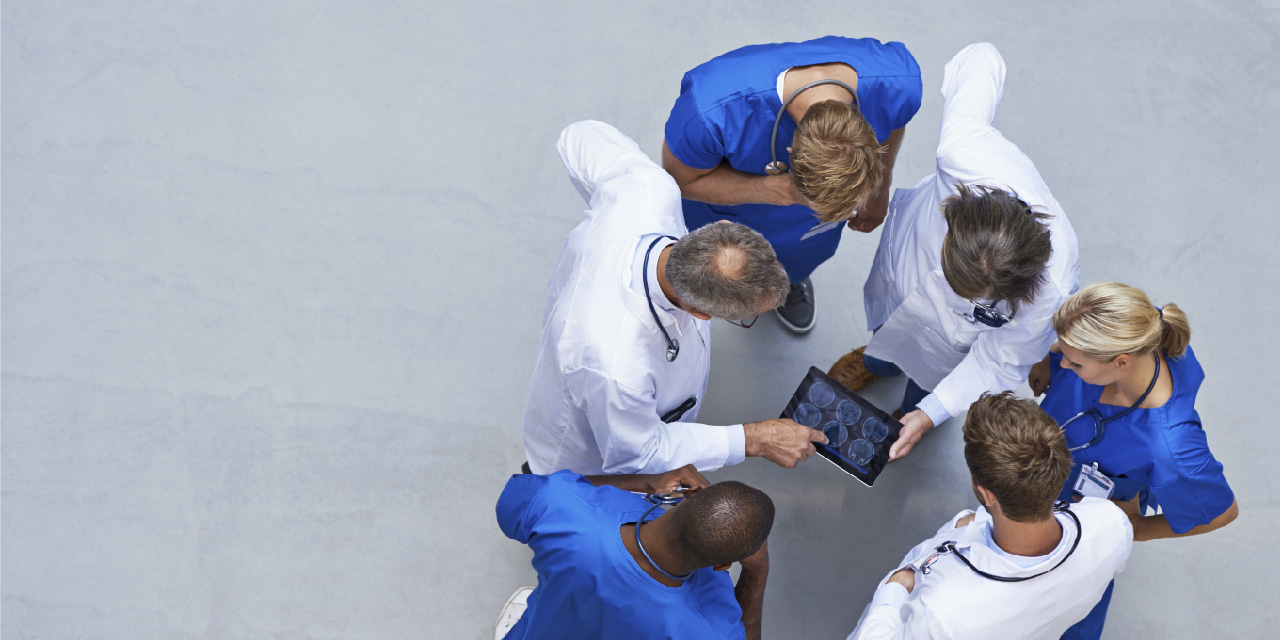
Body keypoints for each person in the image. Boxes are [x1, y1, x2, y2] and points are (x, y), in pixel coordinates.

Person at [523, 120, 827, 476]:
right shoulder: (615, 363)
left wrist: (604, 214)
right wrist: (751, 439)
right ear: (697, 310)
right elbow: (640, 452)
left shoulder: (648, 191)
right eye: (748, 317)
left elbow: (579, 135)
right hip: (584, 459)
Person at [827, 43, 1078, 460]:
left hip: (952, 346)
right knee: (889, 328)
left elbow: (1000, 361)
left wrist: (928, 414)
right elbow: (982, 56)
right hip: (903, 273)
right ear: (958, 212)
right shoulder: (964, 154)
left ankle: (912, 406)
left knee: (928, 379)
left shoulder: (1052, 291)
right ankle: (874, 363)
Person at [662, 36, 922, 333]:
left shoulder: (898, 85)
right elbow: (681, 180)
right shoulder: (711, 112)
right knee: (727, 268)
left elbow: (894, 124)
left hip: (802, 228)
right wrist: (779, 192)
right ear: (789, 152)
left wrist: (879, 189)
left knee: (799, 259)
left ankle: (788, 285)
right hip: (726, 209)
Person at [1028, 282, 1239, 639]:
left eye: (1073, 362)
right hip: (1043, 473)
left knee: (1073, 609)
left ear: (1120, 362)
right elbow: (1068, 350)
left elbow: (1221, 513)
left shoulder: (1171, 447)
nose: (1063, 362)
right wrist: (1048, 361)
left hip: (1083, 512)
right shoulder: (1135, 328)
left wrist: (1137, 529)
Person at [847, 392, 1133, 639]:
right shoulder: (1111, 524)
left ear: (987, 495)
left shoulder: (943, 616)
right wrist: (973, 525)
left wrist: (895, 588)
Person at [495, 464, 773, 640]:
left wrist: (647, 483)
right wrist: (758, 573)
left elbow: (517, 499)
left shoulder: (562, 507)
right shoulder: (711, 621)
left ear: (683, 500)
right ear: (725, 564)